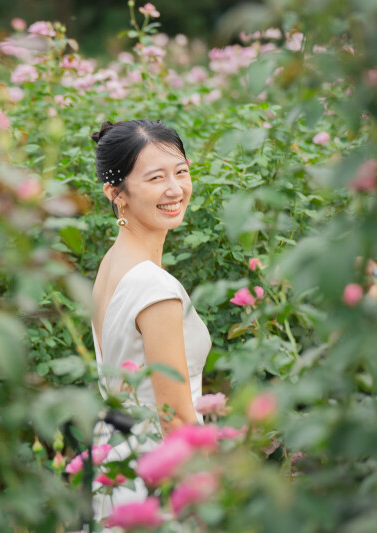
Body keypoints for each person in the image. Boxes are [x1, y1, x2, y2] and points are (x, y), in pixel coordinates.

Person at [89, 120, 212, 525]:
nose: (175, 189)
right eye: (156, 178)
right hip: (161, 473)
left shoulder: (112, 264)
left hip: (118, 458)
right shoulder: (153, 286)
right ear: (116, 194)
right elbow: (173, 414)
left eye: (181, 171)